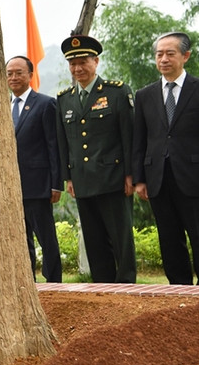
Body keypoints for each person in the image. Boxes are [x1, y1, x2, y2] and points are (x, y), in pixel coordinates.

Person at [55, 35, 136, 283]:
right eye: (72, 63)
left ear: (96, 61)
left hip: (114, 178)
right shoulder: (64, 98)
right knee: (94, 239)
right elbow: (63, 143)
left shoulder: (117, 92)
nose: (77, 68)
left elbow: (129, 137)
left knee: (121, 238)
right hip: (82, 179)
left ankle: (126, 285)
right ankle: (103, 286)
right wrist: (68, 177)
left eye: (83, 62)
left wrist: (131, 174)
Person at [133, 31, 199, 285]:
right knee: (169, 238)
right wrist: (139, 179)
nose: (163, 59)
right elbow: (140, 139)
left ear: (186, 56)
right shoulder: (144, 95)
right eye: (159, 54)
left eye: (170, 54)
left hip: (193, 176)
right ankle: (178, 289)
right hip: (158, 178)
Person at [6, 56, 63, 283]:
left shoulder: (45, 104)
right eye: (9, 73)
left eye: (19, 72)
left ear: (30, 75)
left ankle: (54, 282)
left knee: (46, 238)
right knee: (21, 240)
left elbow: (53, 146)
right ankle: (27, 282)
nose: (14, 77)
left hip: (38, 185)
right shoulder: (0, 106)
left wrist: (56, 184)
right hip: (11, 187)